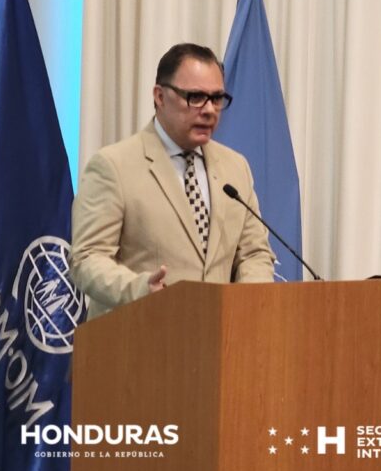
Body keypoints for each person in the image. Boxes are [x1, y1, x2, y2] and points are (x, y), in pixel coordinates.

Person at [71, 43, 275, 318]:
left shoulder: (235, 167)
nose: (209, 110)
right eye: (195, 97)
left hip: (221, 336)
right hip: (142, 332)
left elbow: (254, 253)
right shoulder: (113, 166)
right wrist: (138, 288)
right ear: (160, 96)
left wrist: (248, 303)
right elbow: (87, 258)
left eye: (216, 98)